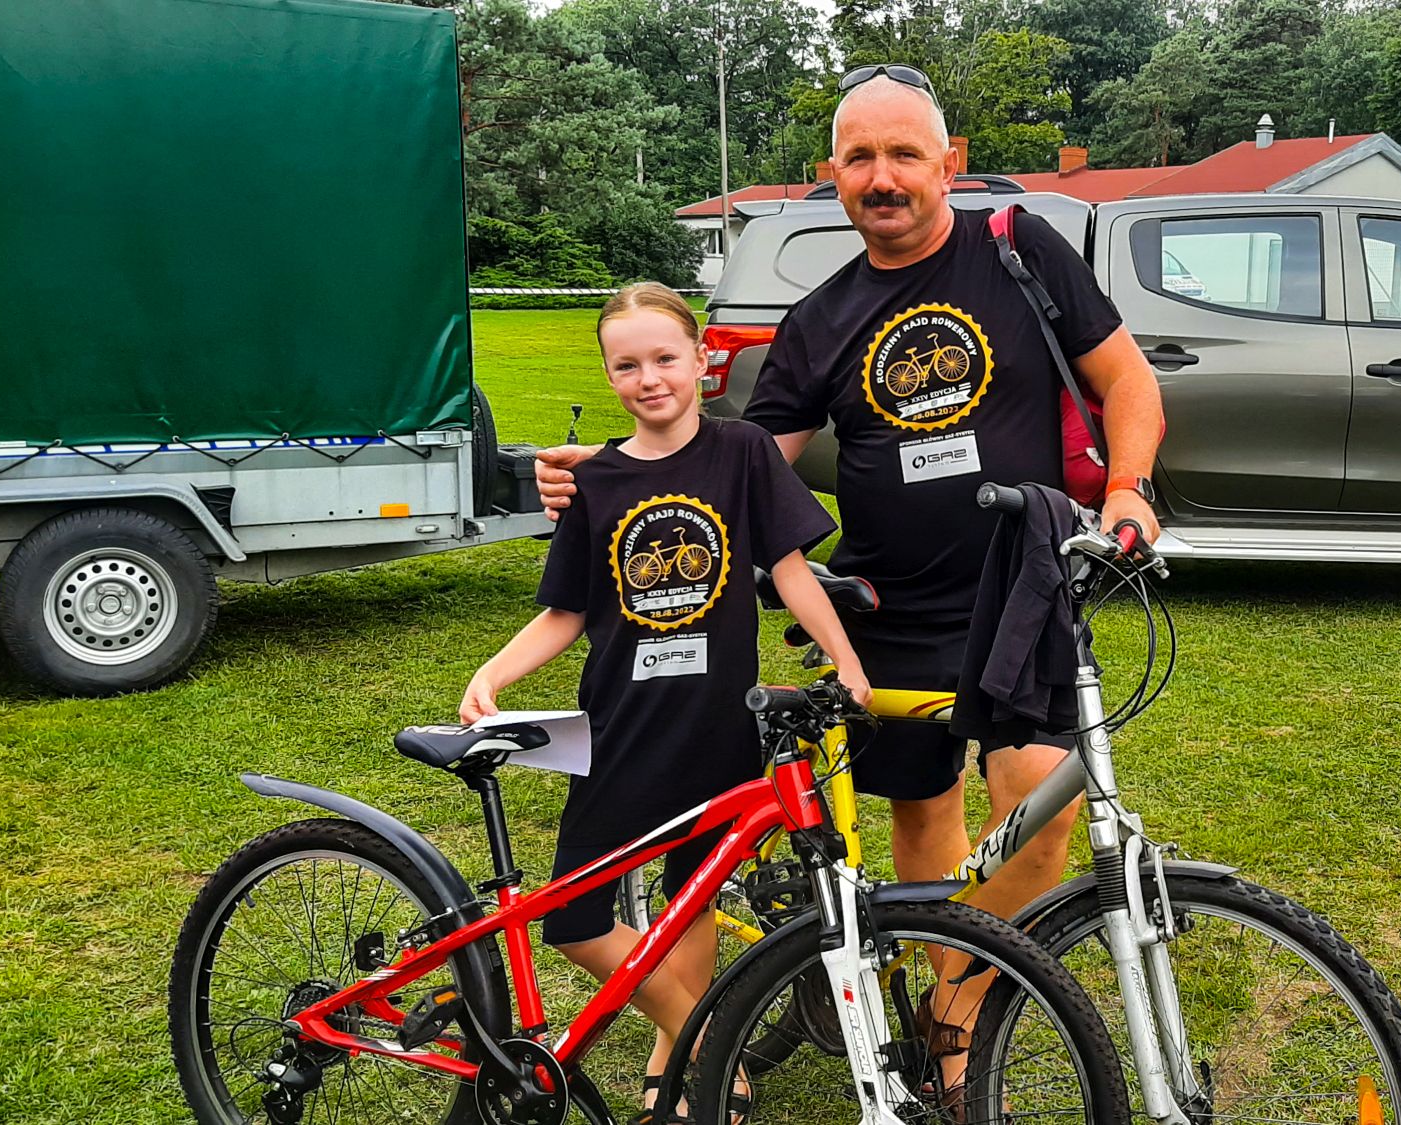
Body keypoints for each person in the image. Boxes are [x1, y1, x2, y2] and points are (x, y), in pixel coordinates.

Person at [534, 64, 1165, 1098]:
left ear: (947, 164)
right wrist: (615, 478)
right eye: (860, 158)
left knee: (1040, 818)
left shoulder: (1018, 251)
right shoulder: (820, 318)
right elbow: (734, 460)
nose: (883, 177)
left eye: (903, 154)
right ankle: (941, 1006)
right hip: (893, 607)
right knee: (921, 814)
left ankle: (951, 1009)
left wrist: (1131, 489)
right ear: (831, 173)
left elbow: (1124, 379)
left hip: (1022, 590)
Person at [463, 283, 871, 1123]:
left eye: (664, 358)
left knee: (695, 900)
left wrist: (845, 658)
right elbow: (568, 609)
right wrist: (496, 672)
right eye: (627, 364)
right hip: (620, 729)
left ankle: (669, 1061)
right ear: (609, 375)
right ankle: (702, 1033)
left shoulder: (746, 452)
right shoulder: (597, 482)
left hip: (721, 725)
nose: (649, 378)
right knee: (575, 916)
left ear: (699, 360)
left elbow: (789, 570)